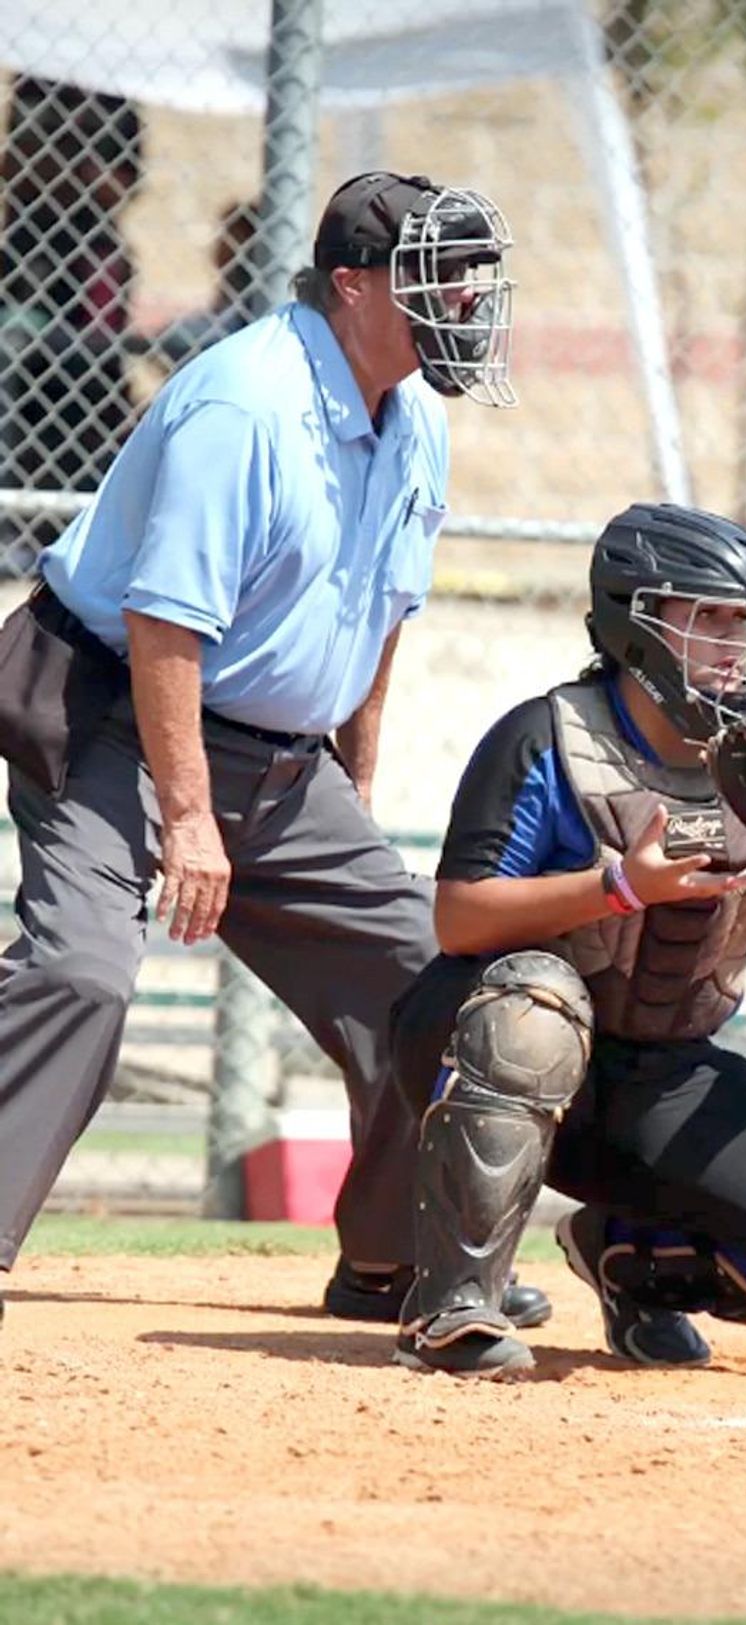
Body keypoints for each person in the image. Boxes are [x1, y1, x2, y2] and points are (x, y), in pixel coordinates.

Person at [0, 170, 547, 1335]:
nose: (462, 299)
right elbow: (162, 625)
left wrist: (354, 774)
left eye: (468, 278)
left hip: (281, 758)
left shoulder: (419, 418)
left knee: (443, 990)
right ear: (351, 286)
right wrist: (188, 817)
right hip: (116, 713)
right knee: (82, 971)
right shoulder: (247, 403)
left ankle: (396, 1260)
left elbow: (381, 612)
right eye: (430, 278)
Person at [386, 501, 746, 1376]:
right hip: (478, 1039)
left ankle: (629, 1259)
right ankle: (454, 1304)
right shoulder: (548, 737)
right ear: (636, 623)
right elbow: (458, 918)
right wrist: (617, 887)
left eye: (743, 620)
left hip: (651, 1074)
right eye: (707, 616)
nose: (734, 643)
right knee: (536, 1008)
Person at [0, 77, 143, 565]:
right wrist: (68, 171)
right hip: (26, 249)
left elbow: (121, 184)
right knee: (14, 362)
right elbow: (14, 169)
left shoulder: (113, 94)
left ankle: (83, 524)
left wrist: (63, 170)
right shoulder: (37, 86)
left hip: (89, 255)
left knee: (94, 383)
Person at [141, 200, 261, 373]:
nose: (218, 244)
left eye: (227, 236)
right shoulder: (231, 290)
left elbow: (218, 333)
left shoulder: (250, 294)